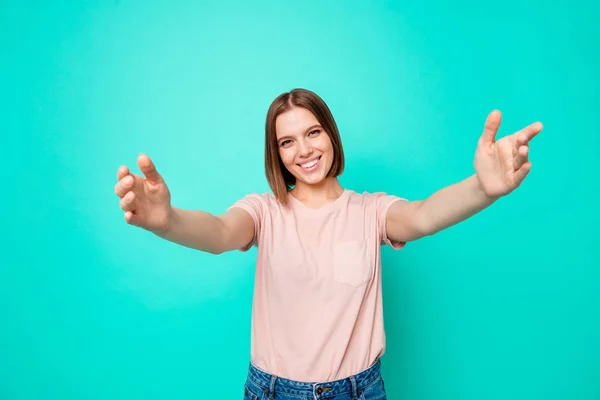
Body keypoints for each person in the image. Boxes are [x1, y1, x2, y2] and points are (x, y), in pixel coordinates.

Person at [114, 88, 542, 399]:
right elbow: (220, 233)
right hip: (273, 391)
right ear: (276, 154)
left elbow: (424, 215)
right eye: (287, 141)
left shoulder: (371, 210)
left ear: (331, 135)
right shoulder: (264, 211)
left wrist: (483, 189)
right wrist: (166, 221)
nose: (304, 149)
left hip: (360, 391)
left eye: (313, 132)